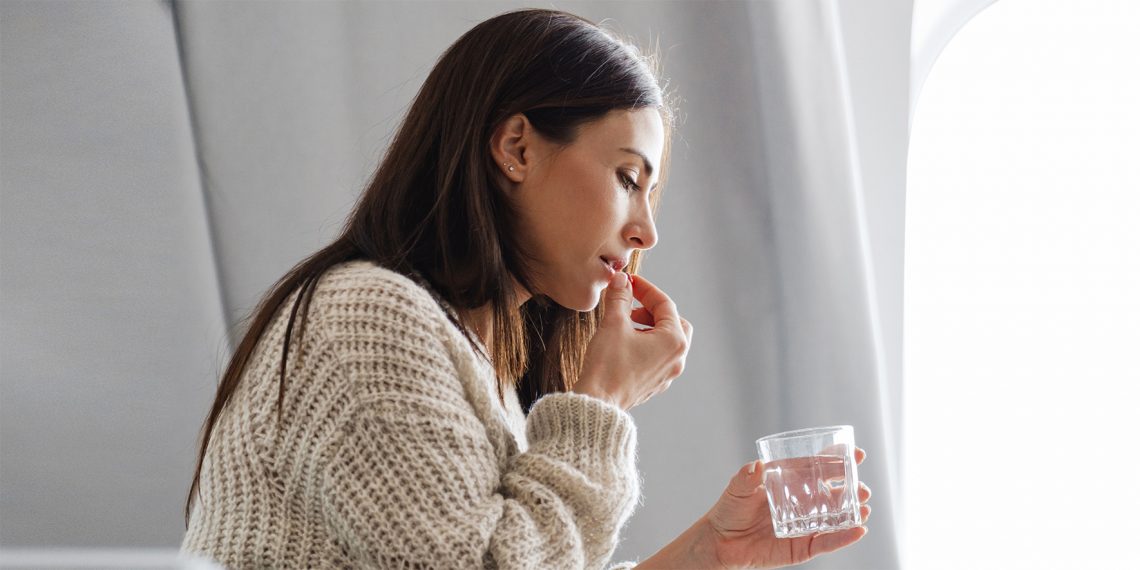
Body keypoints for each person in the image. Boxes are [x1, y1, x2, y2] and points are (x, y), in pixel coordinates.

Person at [180, 8, 871, 569]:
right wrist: (598, 404)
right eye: (629, 179)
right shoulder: (367, 318)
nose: (646, 231)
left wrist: (712, 553)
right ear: (516, 147)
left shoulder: (489, 369)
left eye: (651, 192)